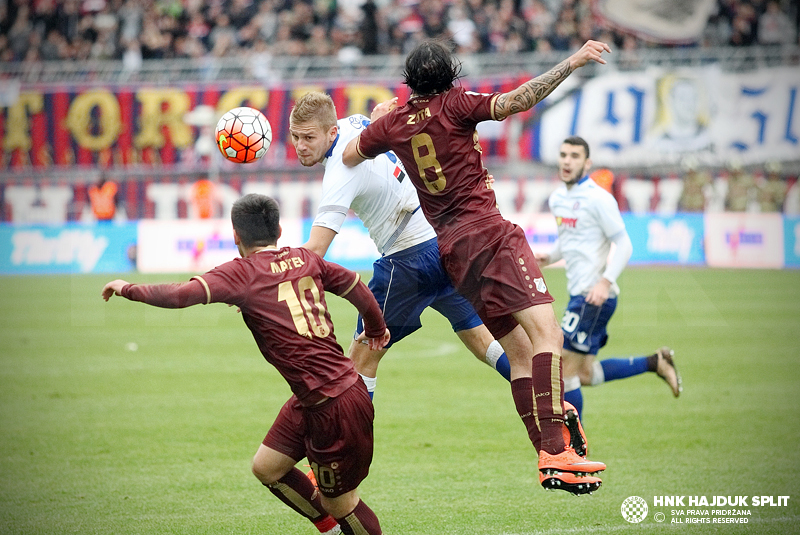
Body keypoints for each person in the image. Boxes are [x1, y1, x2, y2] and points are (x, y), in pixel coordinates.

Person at [342, 38, 610, 494]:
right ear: (450, 75)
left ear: (411, 82)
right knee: (548, 336)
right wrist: (574, 60)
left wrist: (381, 116)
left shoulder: (394, 124)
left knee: (520, 356)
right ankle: (554, 447)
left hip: (452, 253)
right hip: (489, 234)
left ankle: (547, 455)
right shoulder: (458, 104)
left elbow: (349, 154)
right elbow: (519, 100)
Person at [102, 193, 389, 535]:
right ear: (280, 229)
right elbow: (355, 284)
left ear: (236, 236)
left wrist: (127, 288)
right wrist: (376, 328)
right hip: (313, 396)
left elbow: (181, 295)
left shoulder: (242, 274)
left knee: (341, 503)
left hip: (334, 405)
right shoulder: (304, 258)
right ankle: (327, 525)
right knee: (268, 467)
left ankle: (336, 517)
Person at [288, 90, 512, 399]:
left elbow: (316, 250)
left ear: (332, 132)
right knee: (480, 339)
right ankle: (555, 401)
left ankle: (351, 446)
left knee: (359, 361)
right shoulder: (356, 122)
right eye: (295, 137)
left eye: (308, 138)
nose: (300, 146)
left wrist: (263, 274)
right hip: (442, 240)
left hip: (409, 259)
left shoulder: (341, 171)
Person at [534, 136, 682, 421]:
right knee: (586, 373)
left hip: (594, 295)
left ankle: (574, 443)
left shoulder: (599, 199)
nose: (567, 161)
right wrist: (548, 258)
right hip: (580, 293)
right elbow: (569, 241)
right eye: (563, 154)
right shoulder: (557, 199)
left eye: (575, 156)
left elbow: (625, 244)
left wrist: (605, 281)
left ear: (587, 163)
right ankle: (655, 362)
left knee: (563, 367)